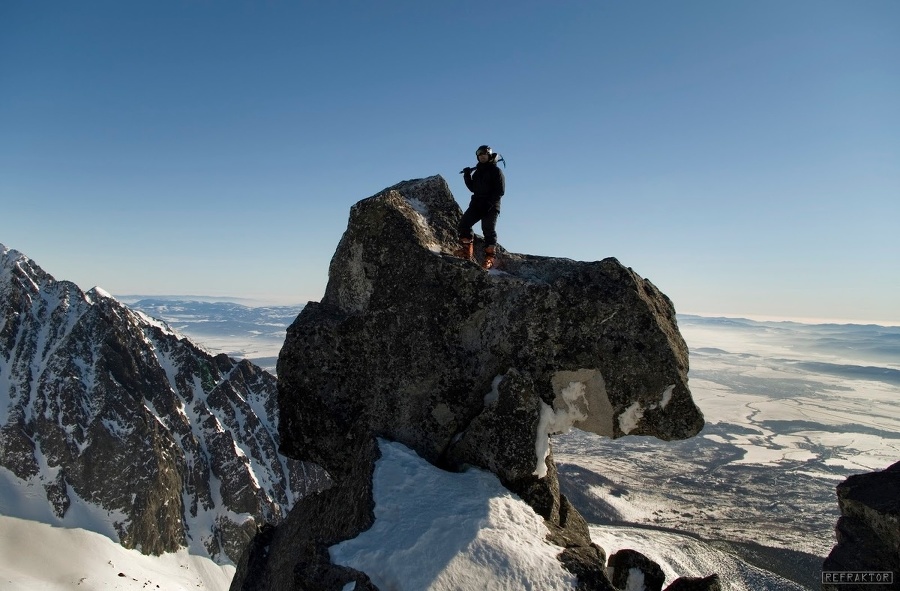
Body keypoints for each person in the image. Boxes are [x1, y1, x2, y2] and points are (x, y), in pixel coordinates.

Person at [455, 145, 506, 269]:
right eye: (480, 155)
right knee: (464, 224)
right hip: (477, 204)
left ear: (489, 155)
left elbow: (500, 191)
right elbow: (473, 188)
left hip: (491, 206)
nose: (482, 156)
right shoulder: (477, 172)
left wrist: (490, 204)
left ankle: (490, 258)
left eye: (484, 154)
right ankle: (467, 251)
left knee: (488, 229)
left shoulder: (496, 171)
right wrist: (467, 176)